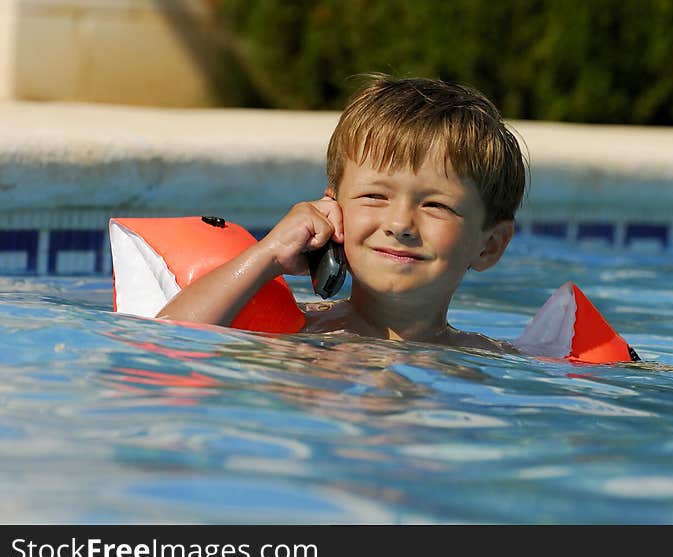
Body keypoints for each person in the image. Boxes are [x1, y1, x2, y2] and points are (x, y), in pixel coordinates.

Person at [157, 74, 527, 353]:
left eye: (436, 205)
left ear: (490, 245)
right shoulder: (299, 330)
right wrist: (266, 255)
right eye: (374, 196)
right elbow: (166, 348)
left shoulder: (490, 362)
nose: (399, 224)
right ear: (334, 211)